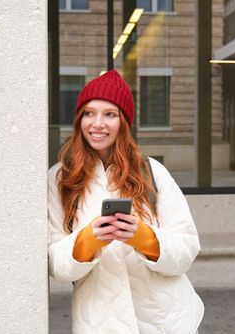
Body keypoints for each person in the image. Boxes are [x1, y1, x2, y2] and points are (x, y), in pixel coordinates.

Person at [48, 69, 204, 333]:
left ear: (124, 122)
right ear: (79, 120)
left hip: (168, 321)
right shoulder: (59, 178)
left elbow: (187, 249)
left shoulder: (152, 171)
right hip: (100, 324)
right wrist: (89, 241)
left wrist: (143, 238)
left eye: (110, 114)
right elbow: (54, 264)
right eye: (89, 113)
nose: (97, 124)